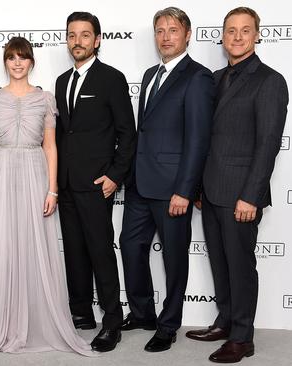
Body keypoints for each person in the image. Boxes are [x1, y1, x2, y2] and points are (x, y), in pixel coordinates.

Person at [0, 36, 92, 356]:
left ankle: (37, 319)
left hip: (36, 175)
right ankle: (2, 323)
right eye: (11, 58)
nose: (17, 63)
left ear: (31, 62)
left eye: (23, 57)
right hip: (0, 174)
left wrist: (53, 188)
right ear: (5, 62)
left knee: (35, 246)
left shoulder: (45, 99)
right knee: (2, 246)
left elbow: (51, 146)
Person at [185, 7, 288, 363]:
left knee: (240, 265)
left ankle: (243, 338)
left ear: (257, 35)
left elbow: (268, 144)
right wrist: (198, 188)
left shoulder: (270, 81)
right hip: (211, 191)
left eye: (245, 30)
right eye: (231, 30)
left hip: (241, 193)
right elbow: (205, 138)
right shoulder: (213, 79)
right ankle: (226, 320)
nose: (238, 36)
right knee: (220, 262)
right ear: (223, 36)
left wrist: (251, 195)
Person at [119, 7, 214, 352]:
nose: (166, 37)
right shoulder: (149, 74)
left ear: (187, 34)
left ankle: (169, 323)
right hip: (141, 184)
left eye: (173, 30)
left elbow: (198, 139)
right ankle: (142, 313)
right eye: (160, 31)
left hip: (174, 188)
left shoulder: (198, 77)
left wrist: (185, 190)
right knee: (130, 246)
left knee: (174, 257)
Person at [54, 11, 136, 352]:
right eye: (72, 35)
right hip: (67, 184)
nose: (77, 41)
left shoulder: (111, 79)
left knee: (101, 252)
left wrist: (115, 176)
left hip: (96, 183)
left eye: (85, 35)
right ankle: (81, 313)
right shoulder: (60, 81)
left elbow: (127, 133)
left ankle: (112, 321)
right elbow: (62, 134)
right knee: (74, 252)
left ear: (97, 40)